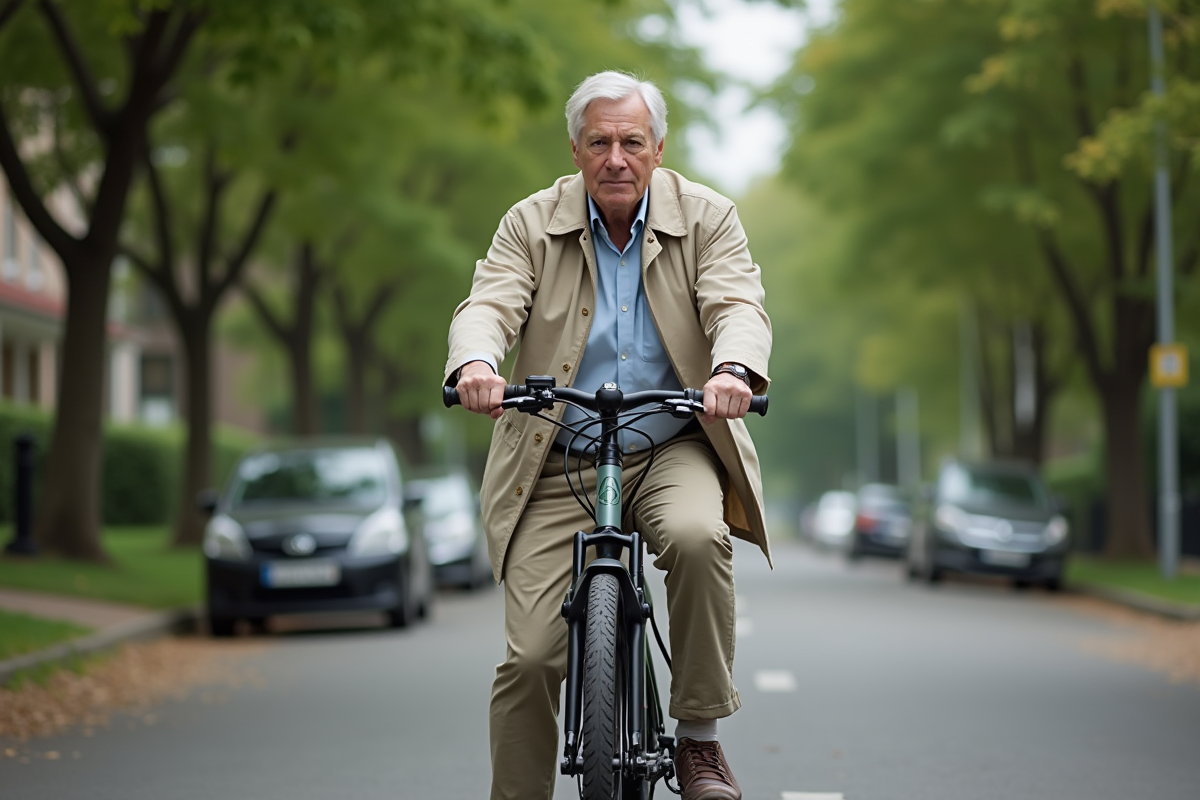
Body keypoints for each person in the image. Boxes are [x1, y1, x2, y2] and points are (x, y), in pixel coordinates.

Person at [444, 70, 772, 800]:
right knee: (529, 659)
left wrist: (734, 370)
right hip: (554, 455)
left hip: (671, 444)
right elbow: (490, 301)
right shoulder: (530, 222)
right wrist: (474, 362)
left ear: (658, 148)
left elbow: (737, 301)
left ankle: (699, 741)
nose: (615, 158)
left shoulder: (709, 216)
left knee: (696, 537)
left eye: (631, 142)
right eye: (599, 142)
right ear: (576, 149)